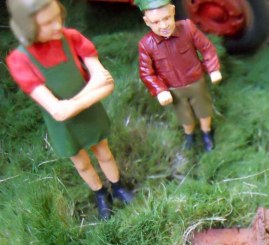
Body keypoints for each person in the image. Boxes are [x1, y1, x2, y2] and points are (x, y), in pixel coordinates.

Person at [6, 0, 134, 220]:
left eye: (58, 16)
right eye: (47, 23)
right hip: (63, 126)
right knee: (81, 163)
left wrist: (71, 103)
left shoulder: (71, 37)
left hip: (89, 114)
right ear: (27, 27)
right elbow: (58, 112)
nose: (57, 25)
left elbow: (106, 83)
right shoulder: (20, 60)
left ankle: (118, 186)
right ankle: (100, 193)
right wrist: (91, 89)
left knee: (104, 152)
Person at [136, 0, 222, 152]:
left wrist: (213, 68)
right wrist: (160, 90)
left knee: (203, 109)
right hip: (173, 89)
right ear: (147, 22)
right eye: (156, 22)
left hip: (196, 82)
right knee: (184, 116)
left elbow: (206, 48)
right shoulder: (146, 44)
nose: (164, 25)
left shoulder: (187, 28)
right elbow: (146, 72)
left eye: (166, 18)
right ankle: (189, 134)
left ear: (173, 11)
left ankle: (206, 132)